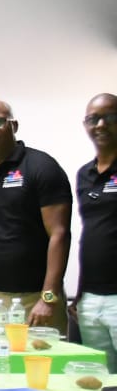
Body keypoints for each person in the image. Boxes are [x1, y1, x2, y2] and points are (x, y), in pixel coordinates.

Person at [0, 99, 72, 332]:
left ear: (13, 125)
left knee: (44, 366)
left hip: (36, 298)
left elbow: (59, 234)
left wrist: (48, 299)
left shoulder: (42, 167)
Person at [75, 93, 117, 370]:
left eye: (109, 117)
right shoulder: (84, 174)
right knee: (102, 382)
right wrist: (79, 293)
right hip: (89, 298)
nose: (100, 124)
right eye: (93, 119)